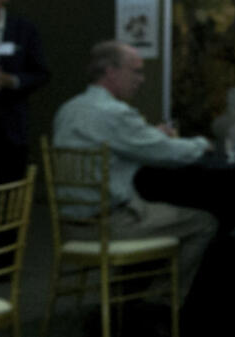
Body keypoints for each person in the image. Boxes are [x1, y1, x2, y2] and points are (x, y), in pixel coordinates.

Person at [53, 40, 217, 300]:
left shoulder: (69, 109)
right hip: (110, 226)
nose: (140, 79)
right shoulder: (114, 113)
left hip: (71, 227)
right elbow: (166, 152)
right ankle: (160, 301)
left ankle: (127, 295)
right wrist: (202, 144)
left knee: (159, 214)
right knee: (203, 222)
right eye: (136, 71)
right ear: (111, 72)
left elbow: (120, 141)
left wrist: (151, 135)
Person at [0, 0, 48, 185]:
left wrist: (10, 80)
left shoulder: (23, 30)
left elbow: (41, 73)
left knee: (9, 193)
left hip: (9, 128)